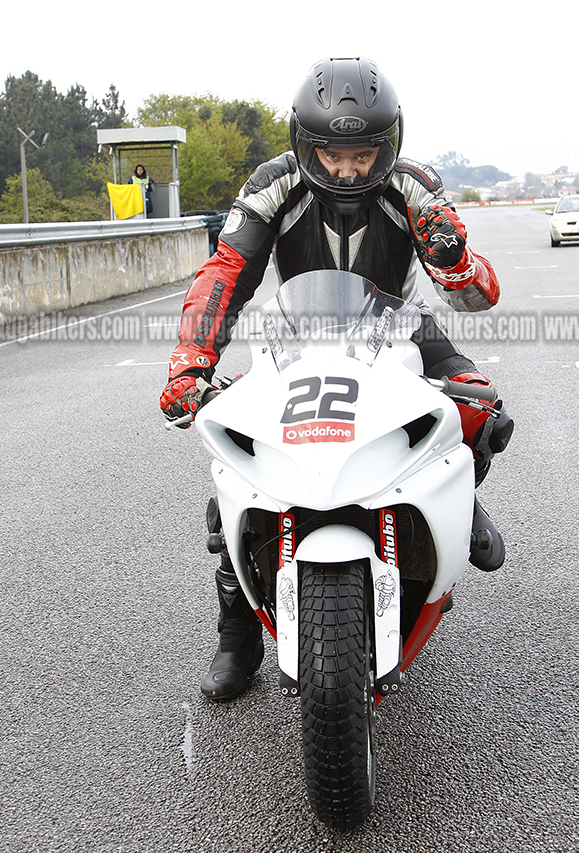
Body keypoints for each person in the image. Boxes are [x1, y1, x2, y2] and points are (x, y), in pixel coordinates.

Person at [160, 57, 514, 700]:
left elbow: (479, 296)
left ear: (388, 145)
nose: (347, 170)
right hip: (293, 336)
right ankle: (236, 641)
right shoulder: (271, 184)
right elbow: (224, 275)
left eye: (361, 154)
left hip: (402, 329)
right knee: (236, 461)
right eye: (331, 155)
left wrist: (455, 261)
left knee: (483, 407)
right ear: (306, 147)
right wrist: (192, 358)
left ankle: (456, 495)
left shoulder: (415, 186)